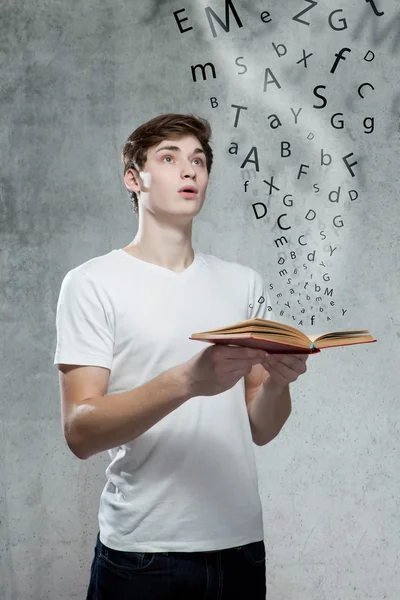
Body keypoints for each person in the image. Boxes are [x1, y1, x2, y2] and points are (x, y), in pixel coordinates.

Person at [54, 113, 308, 599]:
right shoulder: (91, 284)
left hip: (241, 547)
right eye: (169, 159)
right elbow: (80, 432)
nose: (189, 171)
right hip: (143, 552)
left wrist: (279, 382)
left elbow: (261, 428)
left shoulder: (243, 283)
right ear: (134, 178)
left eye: (198, 161)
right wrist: (187, 381)